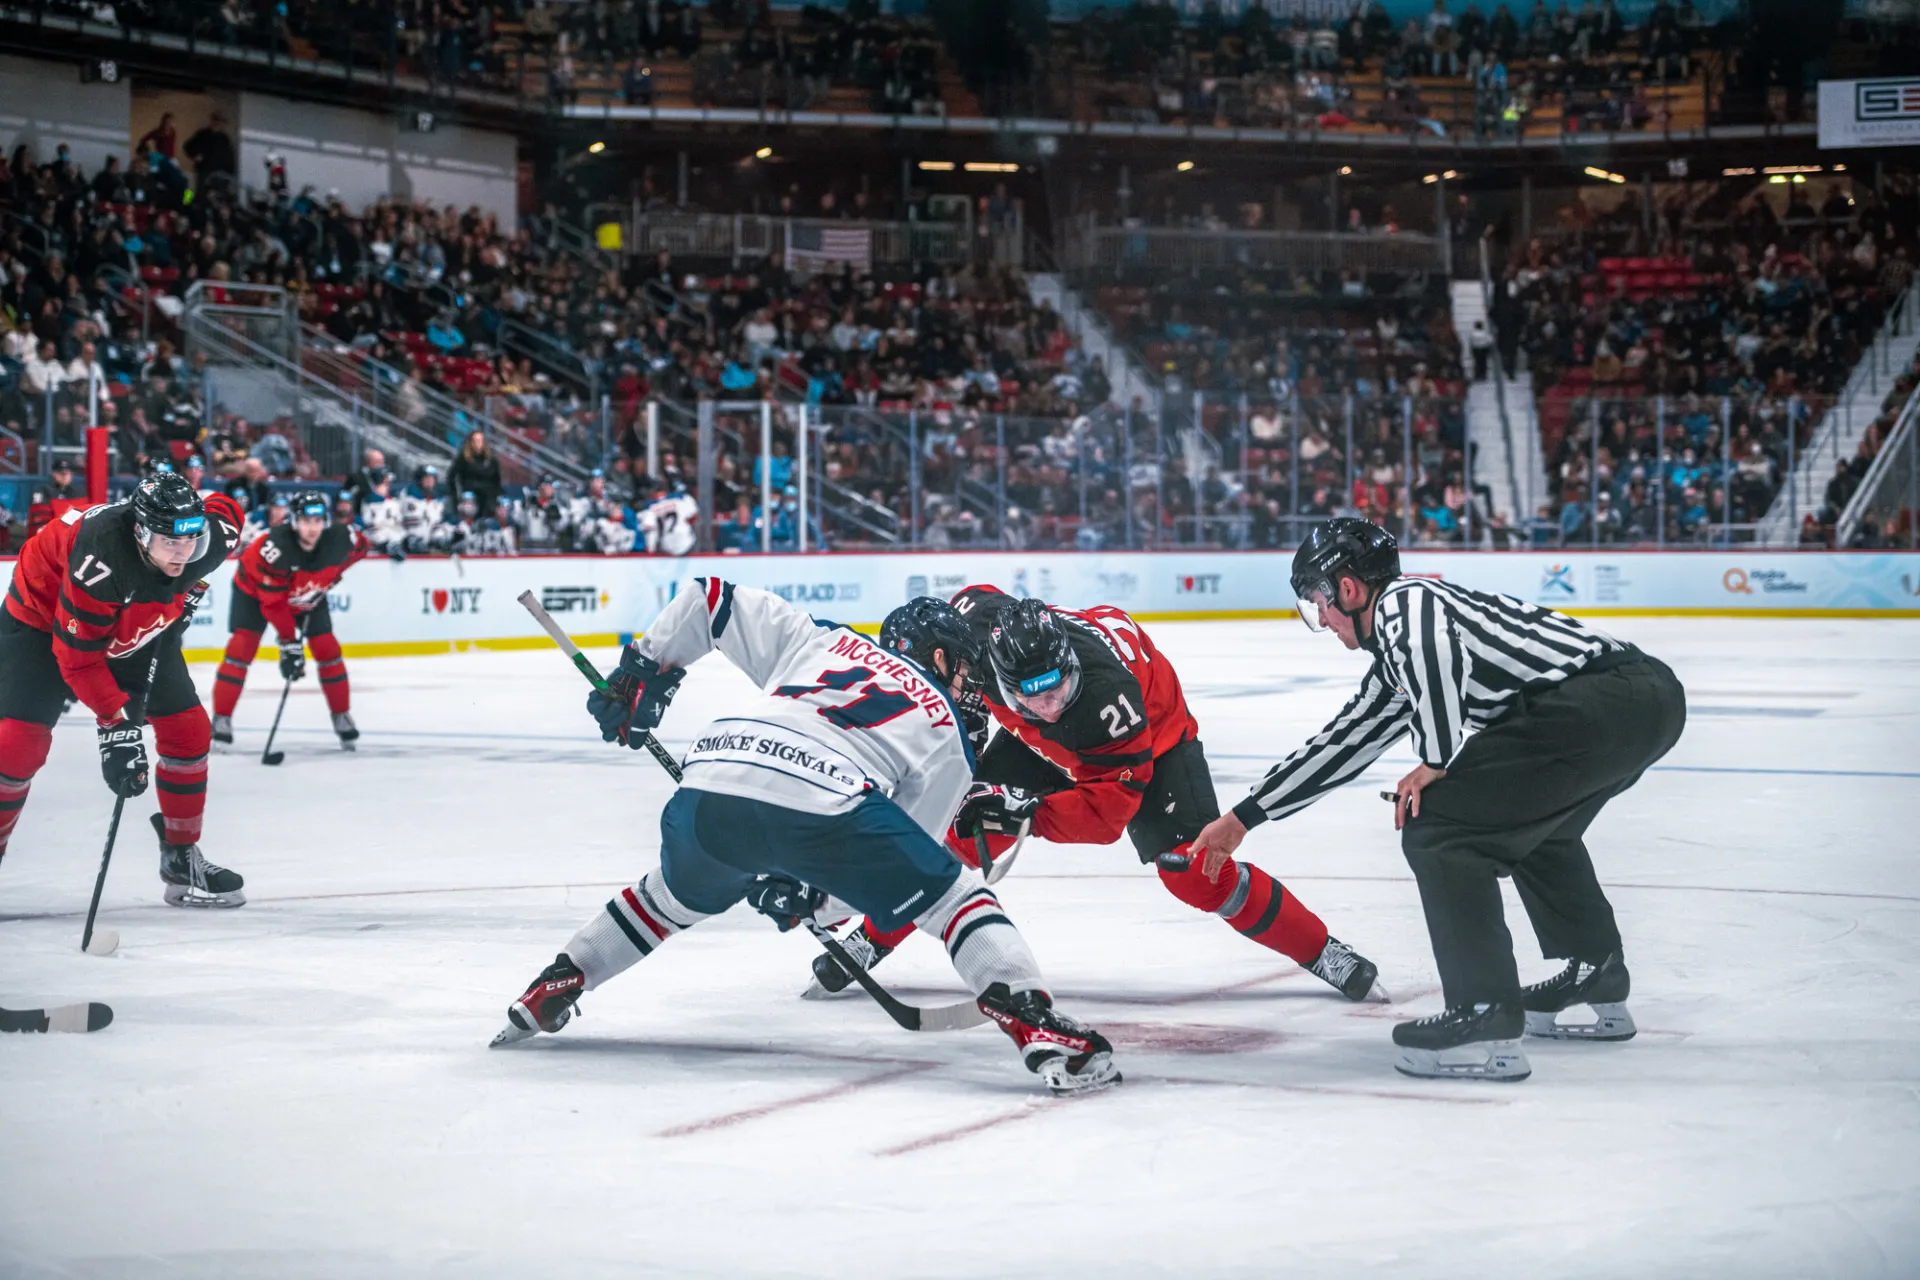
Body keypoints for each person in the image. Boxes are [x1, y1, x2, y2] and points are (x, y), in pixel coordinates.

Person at [494, 583, 1121, 1095]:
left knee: (668, 898)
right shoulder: (946, 728)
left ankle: (560, 978)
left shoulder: (825, 640)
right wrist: (813, 898)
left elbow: (709, 599)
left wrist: (642, 675)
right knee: (955, 898)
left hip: (709, 781)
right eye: (963, 669)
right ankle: (1033, 1018)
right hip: (819, 799)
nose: (970, 687)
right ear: (938, 657)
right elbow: (895, 874)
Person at [1187, 518, 1688, 1081]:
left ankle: (1483, 1010)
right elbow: (1344, 742)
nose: (1322, 620)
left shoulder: (1408, 603)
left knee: (1440, 828)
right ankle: (1594, 969)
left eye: (1318, 603)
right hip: (1642, 704)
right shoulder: (1396, 663)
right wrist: (1245, 817)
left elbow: (1432, 658)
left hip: (1605, 699)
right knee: (1540, 827)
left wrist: (1434, 759)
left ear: (1347, 589)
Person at [806, 590, 1379, 1005]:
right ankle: (871, 940)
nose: (1049, 705)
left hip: (1152, 734)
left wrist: (1026, 809)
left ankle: (1322, 948)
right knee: (969, 826)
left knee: (1193, 870)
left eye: (1057, 689)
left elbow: (1108, 817)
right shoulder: (972, 639)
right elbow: (978, 610)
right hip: (1053, 714)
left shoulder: (1110, 705)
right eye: (1033, 697)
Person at [0, 474, 247, 905]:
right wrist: (115, 726)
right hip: (41, 620)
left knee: (189, 731)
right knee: (17, 745)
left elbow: (229, 508)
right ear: (140, 532)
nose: (184, 553)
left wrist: (190, 584)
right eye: (171, 544)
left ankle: (180, 854)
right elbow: (78, 658)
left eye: (191, 542)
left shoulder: (205, 539)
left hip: (135, 619)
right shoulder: (100, 560)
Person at [212, 491, 371, 751]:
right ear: (294, 522)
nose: (313, 527)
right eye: (306, 521)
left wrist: (330, 576)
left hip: (306, 592)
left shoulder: (342, 538)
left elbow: (361, 549)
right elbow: (273, 604)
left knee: (328, 650)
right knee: (240, 649)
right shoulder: (275, 547)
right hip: (254, 593)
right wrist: (289, 644)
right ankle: (222, 718)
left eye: (318, 520)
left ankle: (341, 715)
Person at [447, 430, 502, 519]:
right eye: (475, 441)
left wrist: (495, 498)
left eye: (480, 441)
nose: (478, 443)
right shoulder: (463, 459)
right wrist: (456, 497)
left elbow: (497, 480)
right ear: (470, 443)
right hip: (469, 498)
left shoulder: (492, 460)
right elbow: (451, 477)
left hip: (487, 499)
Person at [638, 483, 698, 556]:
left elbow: (648, 528)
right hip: (685, 540)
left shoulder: (649, 506)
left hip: (666, 545)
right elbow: (693, 515)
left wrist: (651, 550)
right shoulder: (681, 497)